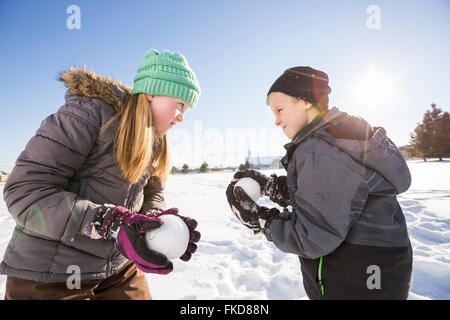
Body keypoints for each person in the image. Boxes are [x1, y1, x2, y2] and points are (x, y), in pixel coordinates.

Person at [1, 49, 201, 300]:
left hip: (117, 268)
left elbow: (154, 192)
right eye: (180, 104)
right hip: (51, 274)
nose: (182, 116)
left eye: (188, 109)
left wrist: (151, 222)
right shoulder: (89, 114)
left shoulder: (155, 141)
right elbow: (25, 191)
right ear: (151, 93)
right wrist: (108, 222)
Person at [226, 66, 413, 300]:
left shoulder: (321, 150)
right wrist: (271, 186)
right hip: (378, 270)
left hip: (354, 277)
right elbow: (328, 196)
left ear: (305, 101)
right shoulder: (339, 138)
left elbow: (312, 236)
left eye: (280, 110)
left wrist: (260, 220)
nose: (276, 121)